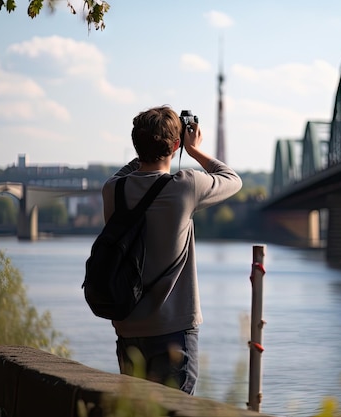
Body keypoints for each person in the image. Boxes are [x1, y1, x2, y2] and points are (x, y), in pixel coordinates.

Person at [101, 105, 242, 394]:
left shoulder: (112, 190)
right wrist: (193, 150)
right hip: (174, 331)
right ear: (175, 145)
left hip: (128, 330)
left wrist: (151, 144)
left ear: (136, 144)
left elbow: (132, 170)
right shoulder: (184, 186)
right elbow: (232, 179)